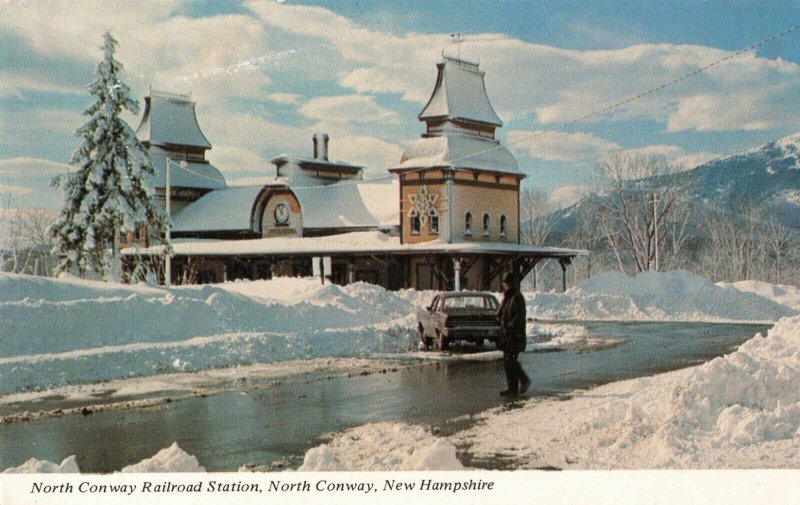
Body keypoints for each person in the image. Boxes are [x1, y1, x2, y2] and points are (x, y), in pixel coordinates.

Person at [496, 273, 531, 396]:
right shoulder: (507, 297)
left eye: (506, 283)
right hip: (507, 335)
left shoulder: (517, 297)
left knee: (511, 361)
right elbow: (501, 313)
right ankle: (512, 387)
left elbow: (519, 317)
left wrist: (510, 327)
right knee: (507, 362)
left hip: (515, 336)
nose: (504, 285)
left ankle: (524, 380)